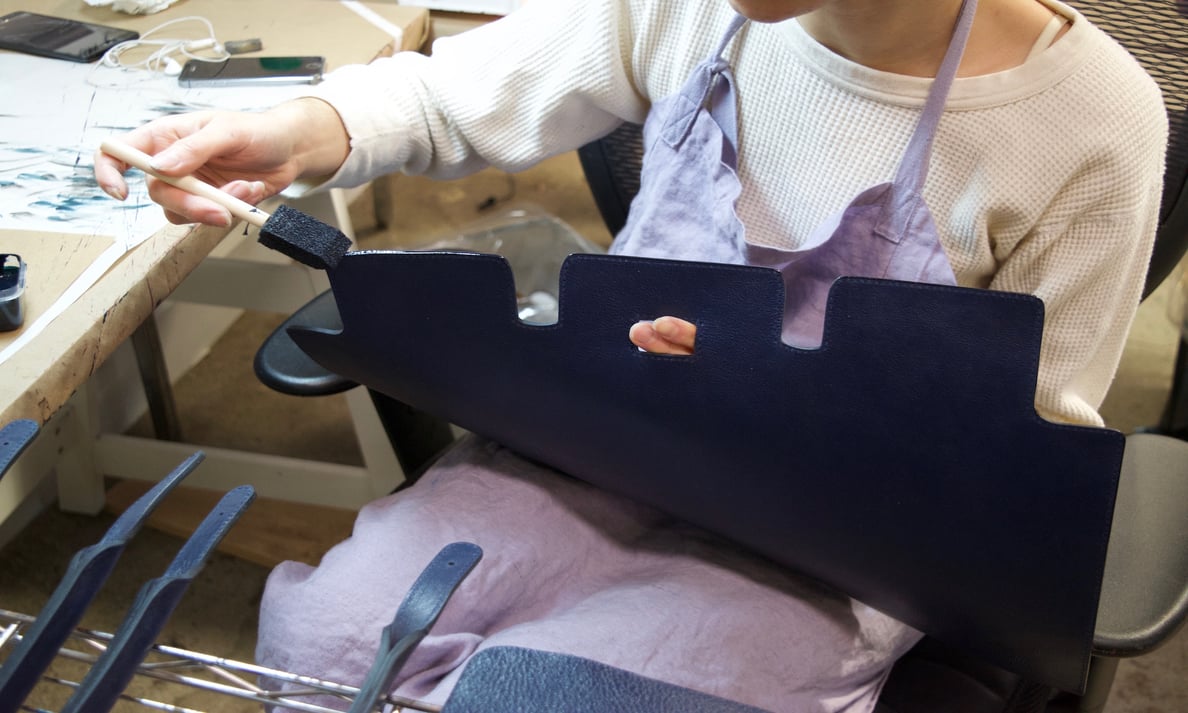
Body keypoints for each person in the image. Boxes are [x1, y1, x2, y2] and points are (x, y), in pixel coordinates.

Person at [94, 0, 1167, 710]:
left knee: (542, 697)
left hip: (834, 541)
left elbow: (1030, 459)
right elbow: (445, 94)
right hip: (597, 439)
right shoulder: (697, 10)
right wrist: (299, 128)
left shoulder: (1088, 125)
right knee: (328, 638)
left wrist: (777, 385)